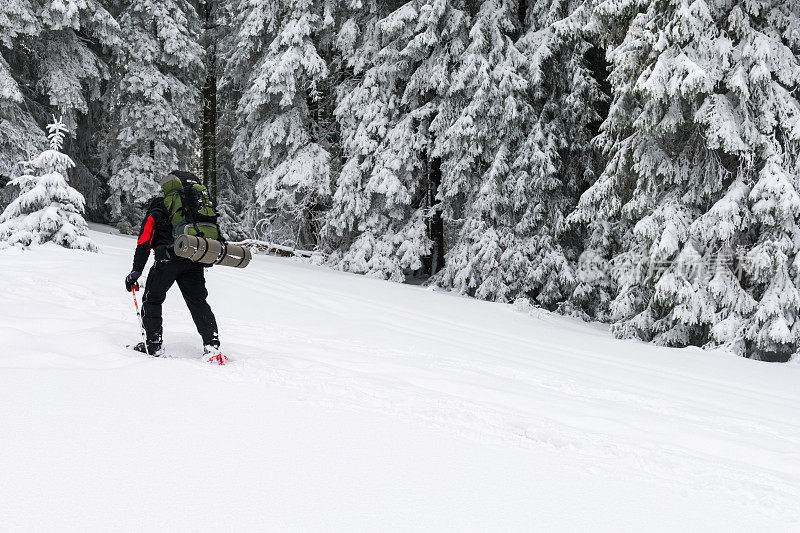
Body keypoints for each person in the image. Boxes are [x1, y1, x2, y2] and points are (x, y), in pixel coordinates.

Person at [124, 180, 223, 362]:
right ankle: (212, 345)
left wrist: (136, 271)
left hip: (167, 260)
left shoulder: (156, 212)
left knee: (152, 299)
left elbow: (143, 242)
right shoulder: (188, 211)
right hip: (192, 259)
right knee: (198, 301)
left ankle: (153, 345)